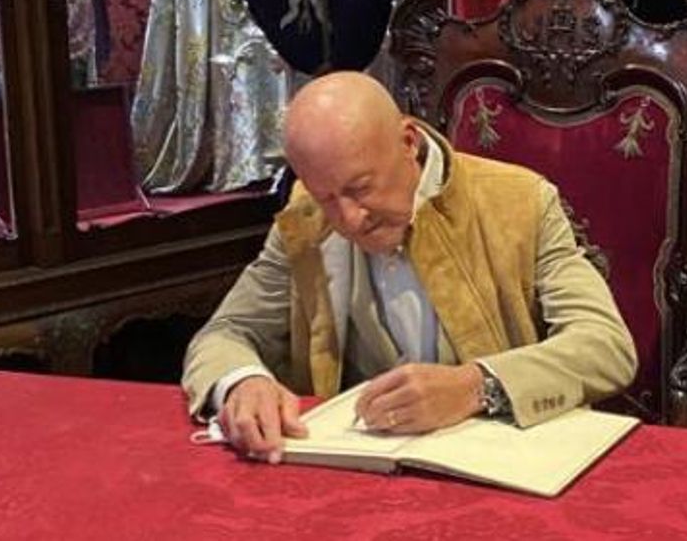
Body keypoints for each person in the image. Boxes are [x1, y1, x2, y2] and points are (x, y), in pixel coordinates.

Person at [183, 72, 637, 462]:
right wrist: (242, 382)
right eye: (327, 197)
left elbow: (605, 345)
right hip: (354, 471)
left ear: (407, 142)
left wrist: (476, 386)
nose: (349, 220)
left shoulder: (520, 203)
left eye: (361, 188)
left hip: (499, 464)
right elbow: (225, 333)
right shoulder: (306, 220)